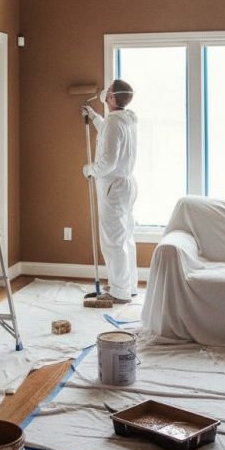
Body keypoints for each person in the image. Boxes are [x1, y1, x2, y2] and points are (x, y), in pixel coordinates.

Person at [82, 80, 138, 303]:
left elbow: (108, 162)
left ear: (113, 99)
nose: (105, 95)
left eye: (109, 93)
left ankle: (119, 291)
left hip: (113, 186)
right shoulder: (125, 120)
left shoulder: (115, 123)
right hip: (126, 184)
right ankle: (128, 284)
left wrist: (90, 170)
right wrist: (94, 116)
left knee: (112, 241)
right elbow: (108, 132)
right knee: (125, 237)